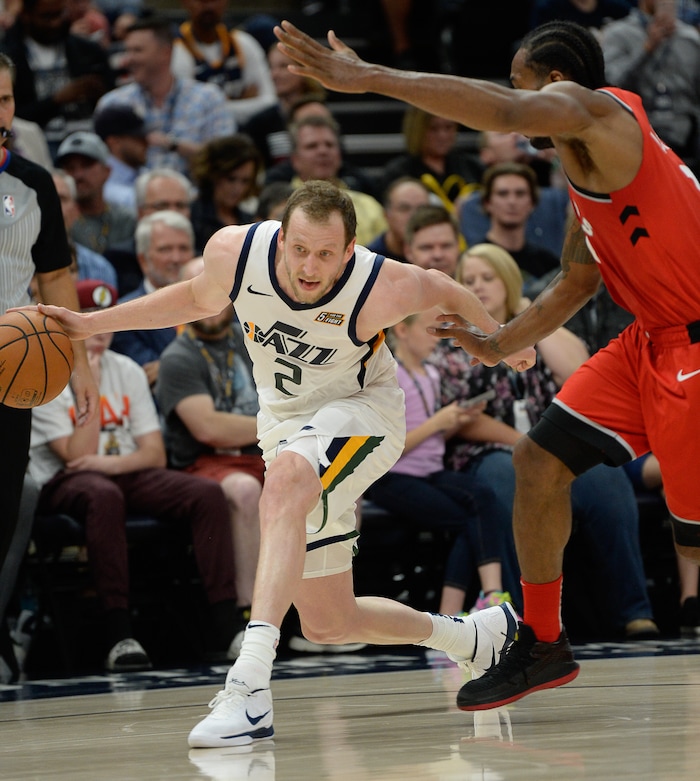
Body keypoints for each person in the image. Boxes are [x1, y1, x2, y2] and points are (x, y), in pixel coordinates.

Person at [274, 17, 700, 710]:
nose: (510, 95)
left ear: (554, 85)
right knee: (537, 462)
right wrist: (499, 342)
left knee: (696, 542)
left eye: (520, 79)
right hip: (647, 343)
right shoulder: (580, 158)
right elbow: (574, 280)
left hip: (694, 350)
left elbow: (503, 112)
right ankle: (542, 640)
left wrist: (370, 77)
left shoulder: (600, 110)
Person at [32, 179, 535, 746]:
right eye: (299, 249)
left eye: (326, 253)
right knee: (328, 621)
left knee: (289, 478)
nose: (310, 266)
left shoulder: (380, 286)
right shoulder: (235, 251)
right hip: (285, 424)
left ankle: (248, 687)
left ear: (349, 251)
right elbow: (197, 298)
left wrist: (499, 340)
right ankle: (474, 639)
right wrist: (91, 324)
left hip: (363, 415)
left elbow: (444, 286)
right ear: (279, 240)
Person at [431, 243, 658, 639]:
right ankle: (524, 619)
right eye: (470, 281)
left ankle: (634, 609)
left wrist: (527, 320)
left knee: (607, 481)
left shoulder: (529, 330)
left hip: (543, 449)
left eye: (488, 278)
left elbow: (578, 366)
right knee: (507, 478)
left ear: (508, 280)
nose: (480, 287)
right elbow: (459, 414)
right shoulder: (455, 338)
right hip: (485, 453)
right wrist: (523, 441)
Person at [28, 278, 241, 672]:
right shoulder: (42, 369)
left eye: (103, 322)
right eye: (87, 319)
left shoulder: (125, 369)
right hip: (64, 481)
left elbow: (155, 454)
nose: (98, 333)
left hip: (119, 470)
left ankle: (227, 626)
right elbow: (76, 455)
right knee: (103, 495)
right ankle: (119, 633)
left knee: (205, 494)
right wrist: (84, 384)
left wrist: (110, 465)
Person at [0, 51, 97, 673]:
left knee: (5, 509)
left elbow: (56, 279)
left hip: (8, 371)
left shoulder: (33, 183)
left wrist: (78, 364)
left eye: (6, 100)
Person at [367, 307, 517, 616]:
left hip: (429, 471)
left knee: (484, 496)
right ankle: (464, 608)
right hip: (392, 476)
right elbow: (384, 449)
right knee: (468, 520)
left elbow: (433, 440)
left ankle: (486, 597)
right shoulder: (388, 376)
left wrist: (456, 422)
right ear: (403, 331)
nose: (437, 340)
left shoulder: (431, 374)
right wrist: (438, 422)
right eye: (429, 331)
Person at [157, 256, 265, 658]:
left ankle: (324, 610)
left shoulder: (255, 338)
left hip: (263, 453)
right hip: (205, 463)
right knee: (243, 491)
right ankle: (249, 619)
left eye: (217, 291)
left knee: (330, 485)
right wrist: (275, 423)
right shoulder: (177, 358)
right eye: (198, 291)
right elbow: (208, 429)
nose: (209, 301)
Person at [95, 15, 235, 177]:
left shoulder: (208, 98)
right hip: (129, 198)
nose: (128, 60)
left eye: (137, 51)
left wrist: (174, 145)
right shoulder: (112, 104)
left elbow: (228, 160)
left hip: (195, 197)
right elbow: (98, 165)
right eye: (128, 51)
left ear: (165, 53)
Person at [0, 0, 114, 158]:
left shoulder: (88, 51)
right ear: (26, 16)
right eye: (46, 17)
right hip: (33, 146)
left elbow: (112, 98)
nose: (55, 23)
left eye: (59, 14)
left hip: (90, 143)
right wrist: (56, 100)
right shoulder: (7, 58)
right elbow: (12, 116)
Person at [600, 0, 700, 171]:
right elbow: (611, 87)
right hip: (637, 134)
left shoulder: (690, 39)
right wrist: (646, 49)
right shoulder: (618, 34)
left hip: (687, 136)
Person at [110, 210, 195, 387]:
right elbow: (149, 377)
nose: (176, 258)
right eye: (165, 249)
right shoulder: (125, 315)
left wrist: (165, 367)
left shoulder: (218, 304)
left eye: (183, 248)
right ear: (143, 260)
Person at [624, 452, 700, 636]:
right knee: (686, 473)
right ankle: (689, 600)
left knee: (681, 486)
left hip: (677, 456)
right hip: (637, 455)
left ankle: (690, 602)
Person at [280, 114, 387, 244]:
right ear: (295, 159)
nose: (323, 151)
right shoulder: (280, 205)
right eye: (312, 146)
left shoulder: (369, 206)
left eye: (330, 145)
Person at [172, 0, 277, 126]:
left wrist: (214, 108)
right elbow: (189, 114)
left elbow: (270, 102)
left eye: (215, 0)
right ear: (185, 3)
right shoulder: (176, 51)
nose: (209, 6)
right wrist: (243, 102)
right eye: (201, 1)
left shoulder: (243, 43)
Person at [473, 162, 562, 297]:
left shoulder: (548, 263)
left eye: (520, 194)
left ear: (532, 203)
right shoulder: (473, 259)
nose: (512, 201)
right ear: (487, 203)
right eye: (503, 194)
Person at [377, 106, 482, 213]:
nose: (442, 135)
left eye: (448, 127)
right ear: (417, 130)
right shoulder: (398, 172)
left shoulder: (471, 167)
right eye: (433, 128)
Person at [240, 42, 326, 169]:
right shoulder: (259, 123)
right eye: (271, 67)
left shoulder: (321, 114)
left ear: (305, 68)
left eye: (283, 66)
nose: (274, 75)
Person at [55, 130, 136, 254]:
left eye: (87, 165)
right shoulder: (59, 221)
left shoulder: (126, 220)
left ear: (107, 171)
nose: (78, 175)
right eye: (70, 168)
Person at [189, 134, 262, 253]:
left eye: (245, 181)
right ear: (213, 175)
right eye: (231, 179)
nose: (238, 188)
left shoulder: (250, 223)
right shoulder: (191, 217)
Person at [51, 168, 119, 290]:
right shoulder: (14, 261)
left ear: (76, 211)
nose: (53, 206)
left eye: (61, 199)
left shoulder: (100, 269)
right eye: (45, 198)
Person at [93, 102, 148, 214]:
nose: (147, 143)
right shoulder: (102, 184)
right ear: (114, 142)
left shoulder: (144, 172)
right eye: (138, 138)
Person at [366, 176, 430, 263]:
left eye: (422, 209)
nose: (415, 216)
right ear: (386, 215)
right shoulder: (370, 261)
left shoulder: (441, 255)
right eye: (404, 208)